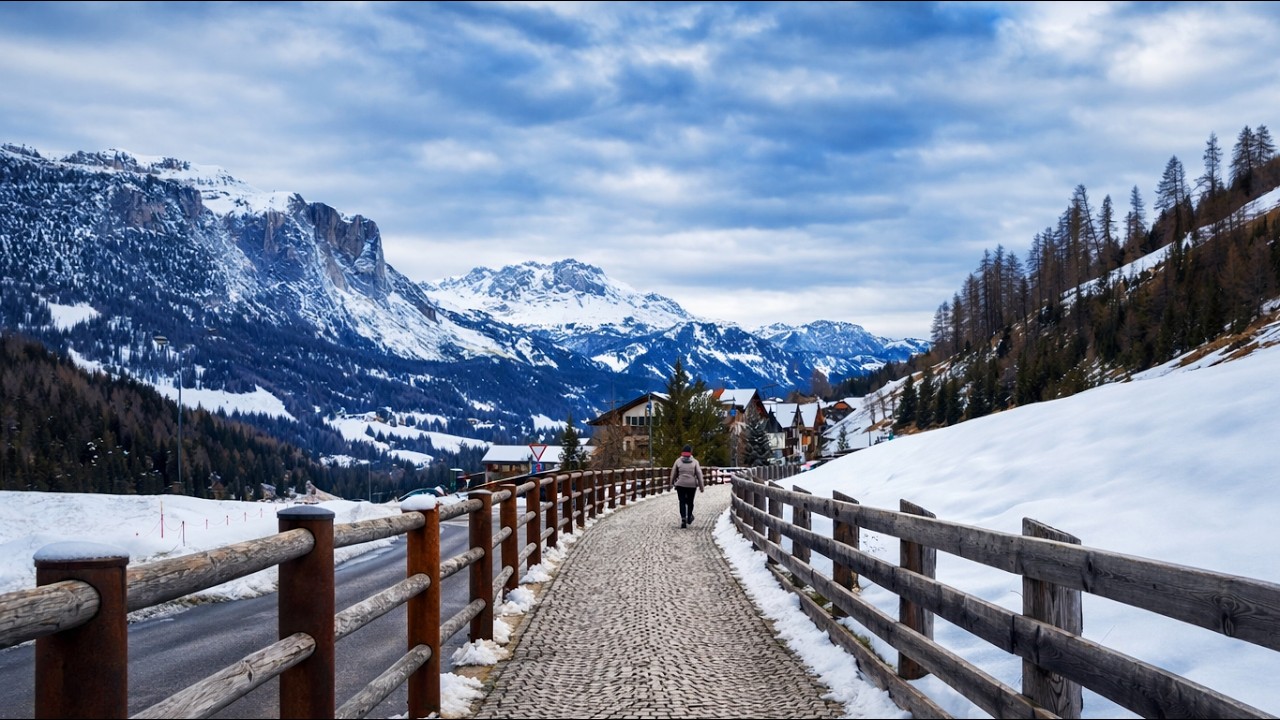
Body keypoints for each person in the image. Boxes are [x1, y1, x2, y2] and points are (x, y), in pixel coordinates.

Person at [669, 444, 704, 528]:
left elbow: (673, 473)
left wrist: (671, 482)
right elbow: (699, 474)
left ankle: (683, 518)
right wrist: (701, 486)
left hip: (680, 484)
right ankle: (689, 517)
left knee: (682, 501)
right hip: (692, 485)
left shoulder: (678, 461)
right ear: (690, 452)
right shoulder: (695, 462)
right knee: (690, 502)